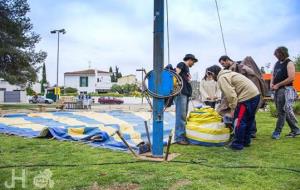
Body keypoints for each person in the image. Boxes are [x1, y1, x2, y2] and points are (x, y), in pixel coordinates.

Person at [206, 65, 260, 150]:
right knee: (249, 119)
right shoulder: (229, 73)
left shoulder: (222, 78)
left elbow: (231, 95)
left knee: (239, 121)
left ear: (212, 73)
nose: (211, 78)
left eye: (210, 75)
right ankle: (246, 141)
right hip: (255, 95)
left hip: (245, 98)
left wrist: (233, 109)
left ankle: (237, 145)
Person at [218, 55, 267, 138]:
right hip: (252, 94)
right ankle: (247, 136)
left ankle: (241, 139)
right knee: (247, 116)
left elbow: (231, 94)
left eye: (223, 63)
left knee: (242, 117)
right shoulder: (230, 71)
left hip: (245, 96)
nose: (222, 65)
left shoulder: (238, 68)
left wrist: (233, 107)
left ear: (227, 60)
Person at [271, 46, 300, 139]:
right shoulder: (277, 63)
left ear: (283, 53)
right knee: (283, 111)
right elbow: (273, 75)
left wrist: (278, 85)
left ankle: (277, 132)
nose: (276, 56)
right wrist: (272, 83)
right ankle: (296, 130)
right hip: (277, 90)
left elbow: (291, 78)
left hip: (285, 90)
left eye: (278, 54)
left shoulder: (289, 63)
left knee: (282, 112)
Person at [175, 54, 198, 145]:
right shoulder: (181, 64)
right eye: (193, 61)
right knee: (181, 116)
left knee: (183, 116)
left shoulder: (186, 69)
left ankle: (182, 136)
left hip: (185, 94)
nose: (193, 63)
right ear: (190, 60)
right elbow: (175, 74)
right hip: (181, 93)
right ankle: (179, 138)